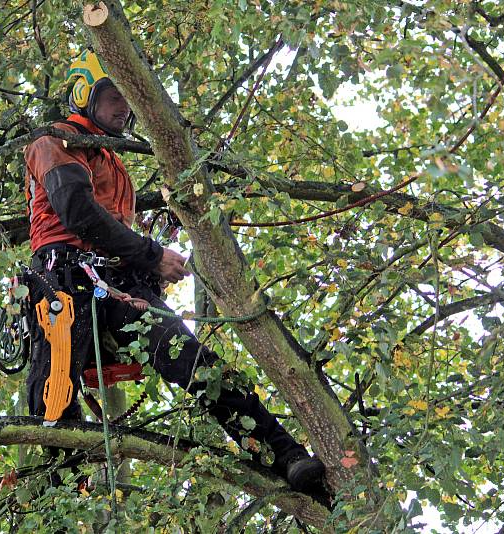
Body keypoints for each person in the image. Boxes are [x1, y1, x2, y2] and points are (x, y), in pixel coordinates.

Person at [22, 49, 326, 495]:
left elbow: (106, 232)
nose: (123, 108)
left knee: (195, 362)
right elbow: (77, 213)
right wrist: (149, 254)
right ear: (84, 94)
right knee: (55, 408)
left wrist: (144, 267)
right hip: (62, 285)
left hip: (116, 288)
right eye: (113, 97)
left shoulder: (112, 161)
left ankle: (283, 453)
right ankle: (64, 506)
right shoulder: (54, 141)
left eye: (129, 98)